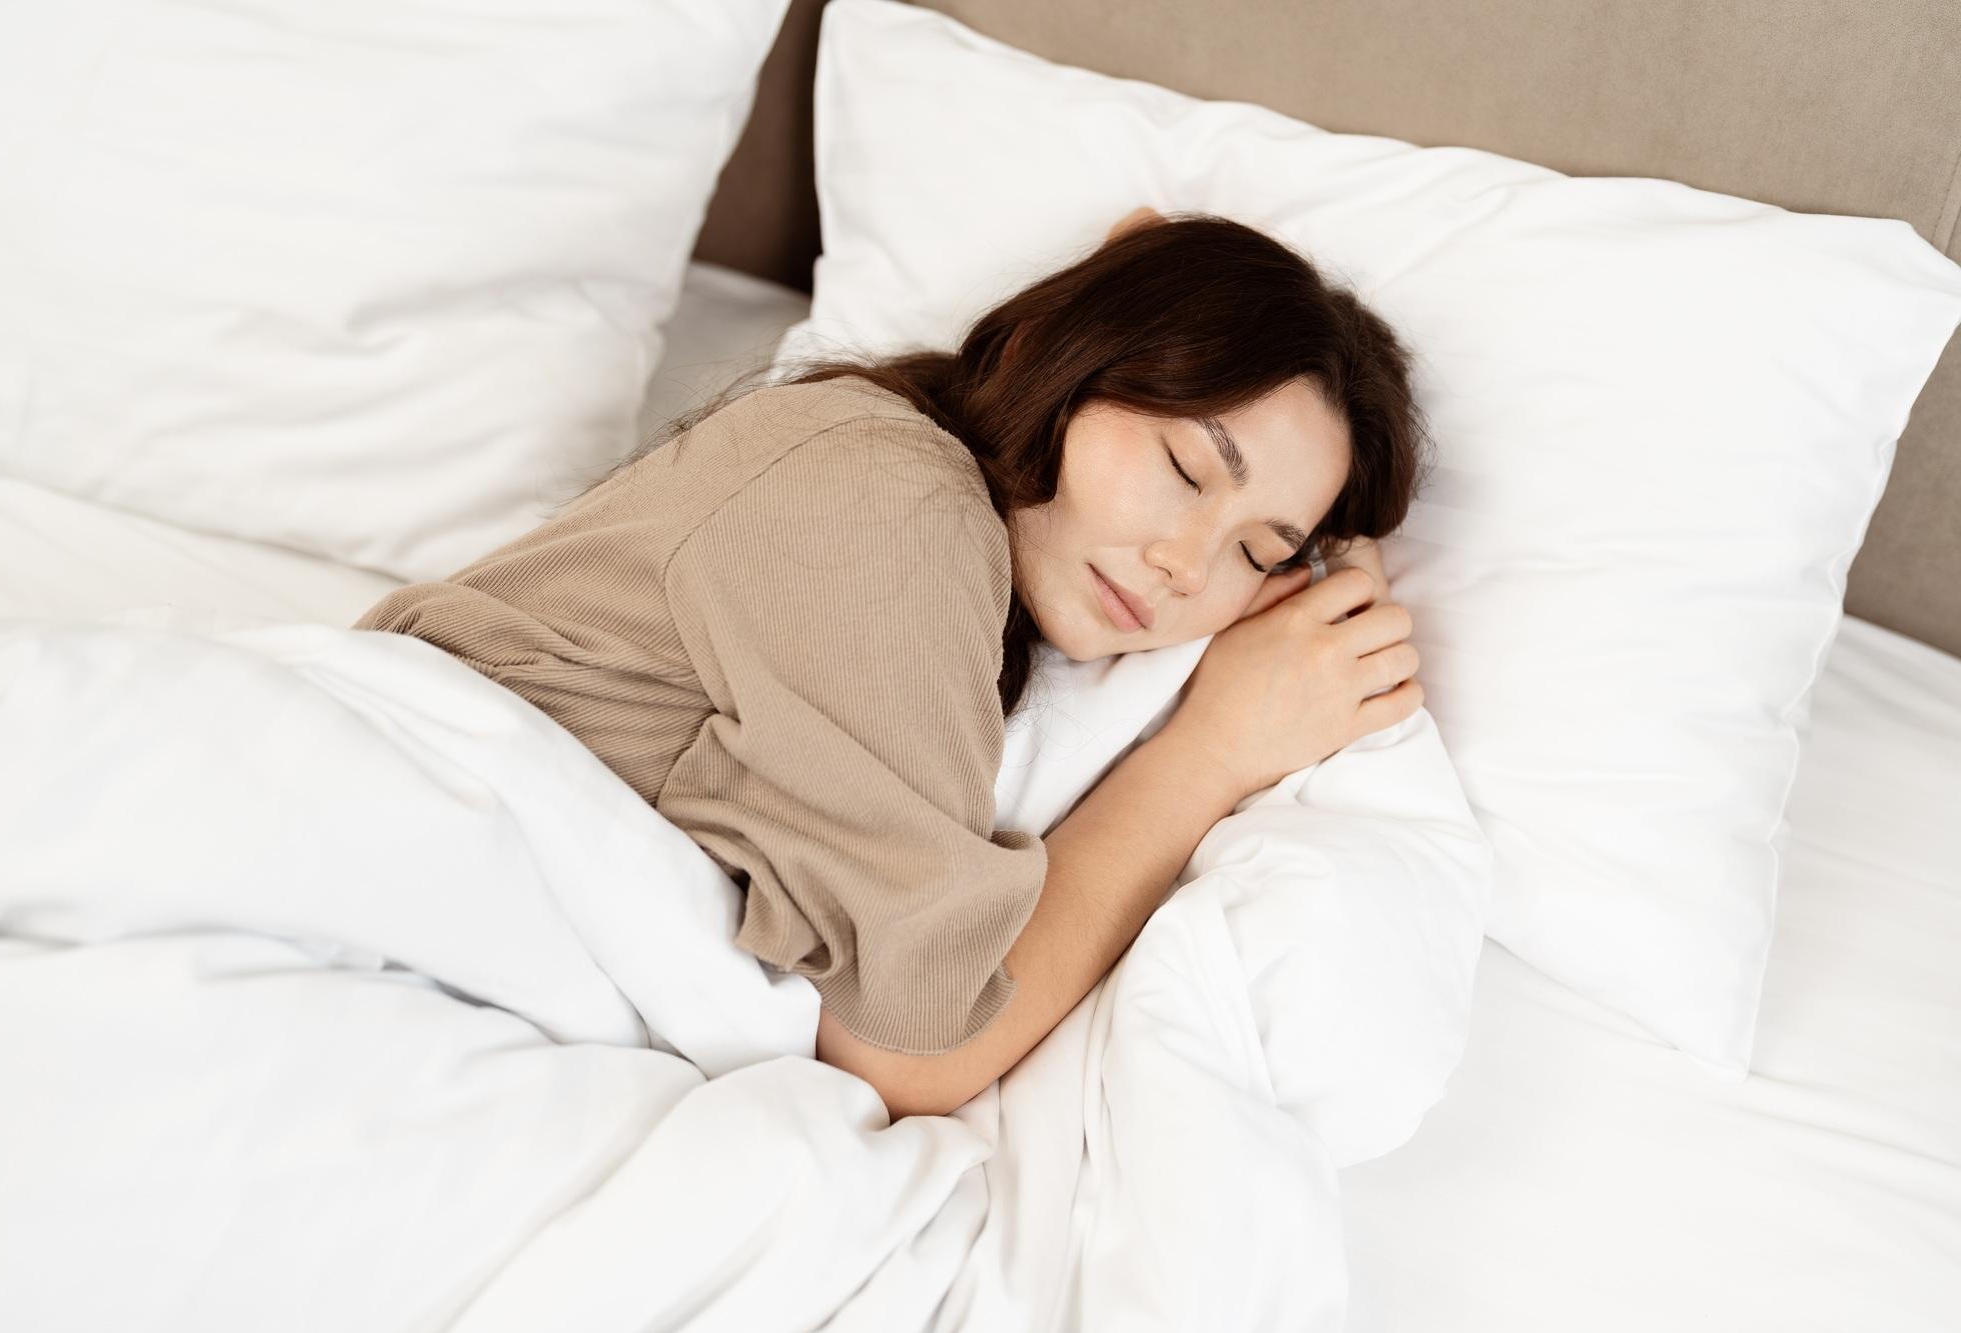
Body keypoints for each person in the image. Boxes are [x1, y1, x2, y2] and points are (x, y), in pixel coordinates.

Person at [350, 207, 1428, 1123]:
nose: (1185, 566)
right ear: (1065, 357)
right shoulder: (897, 500)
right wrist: (1208, 753)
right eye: (1186, 466)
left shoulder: (925, 540)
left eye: (1259, 551)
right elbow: (909, 1051)